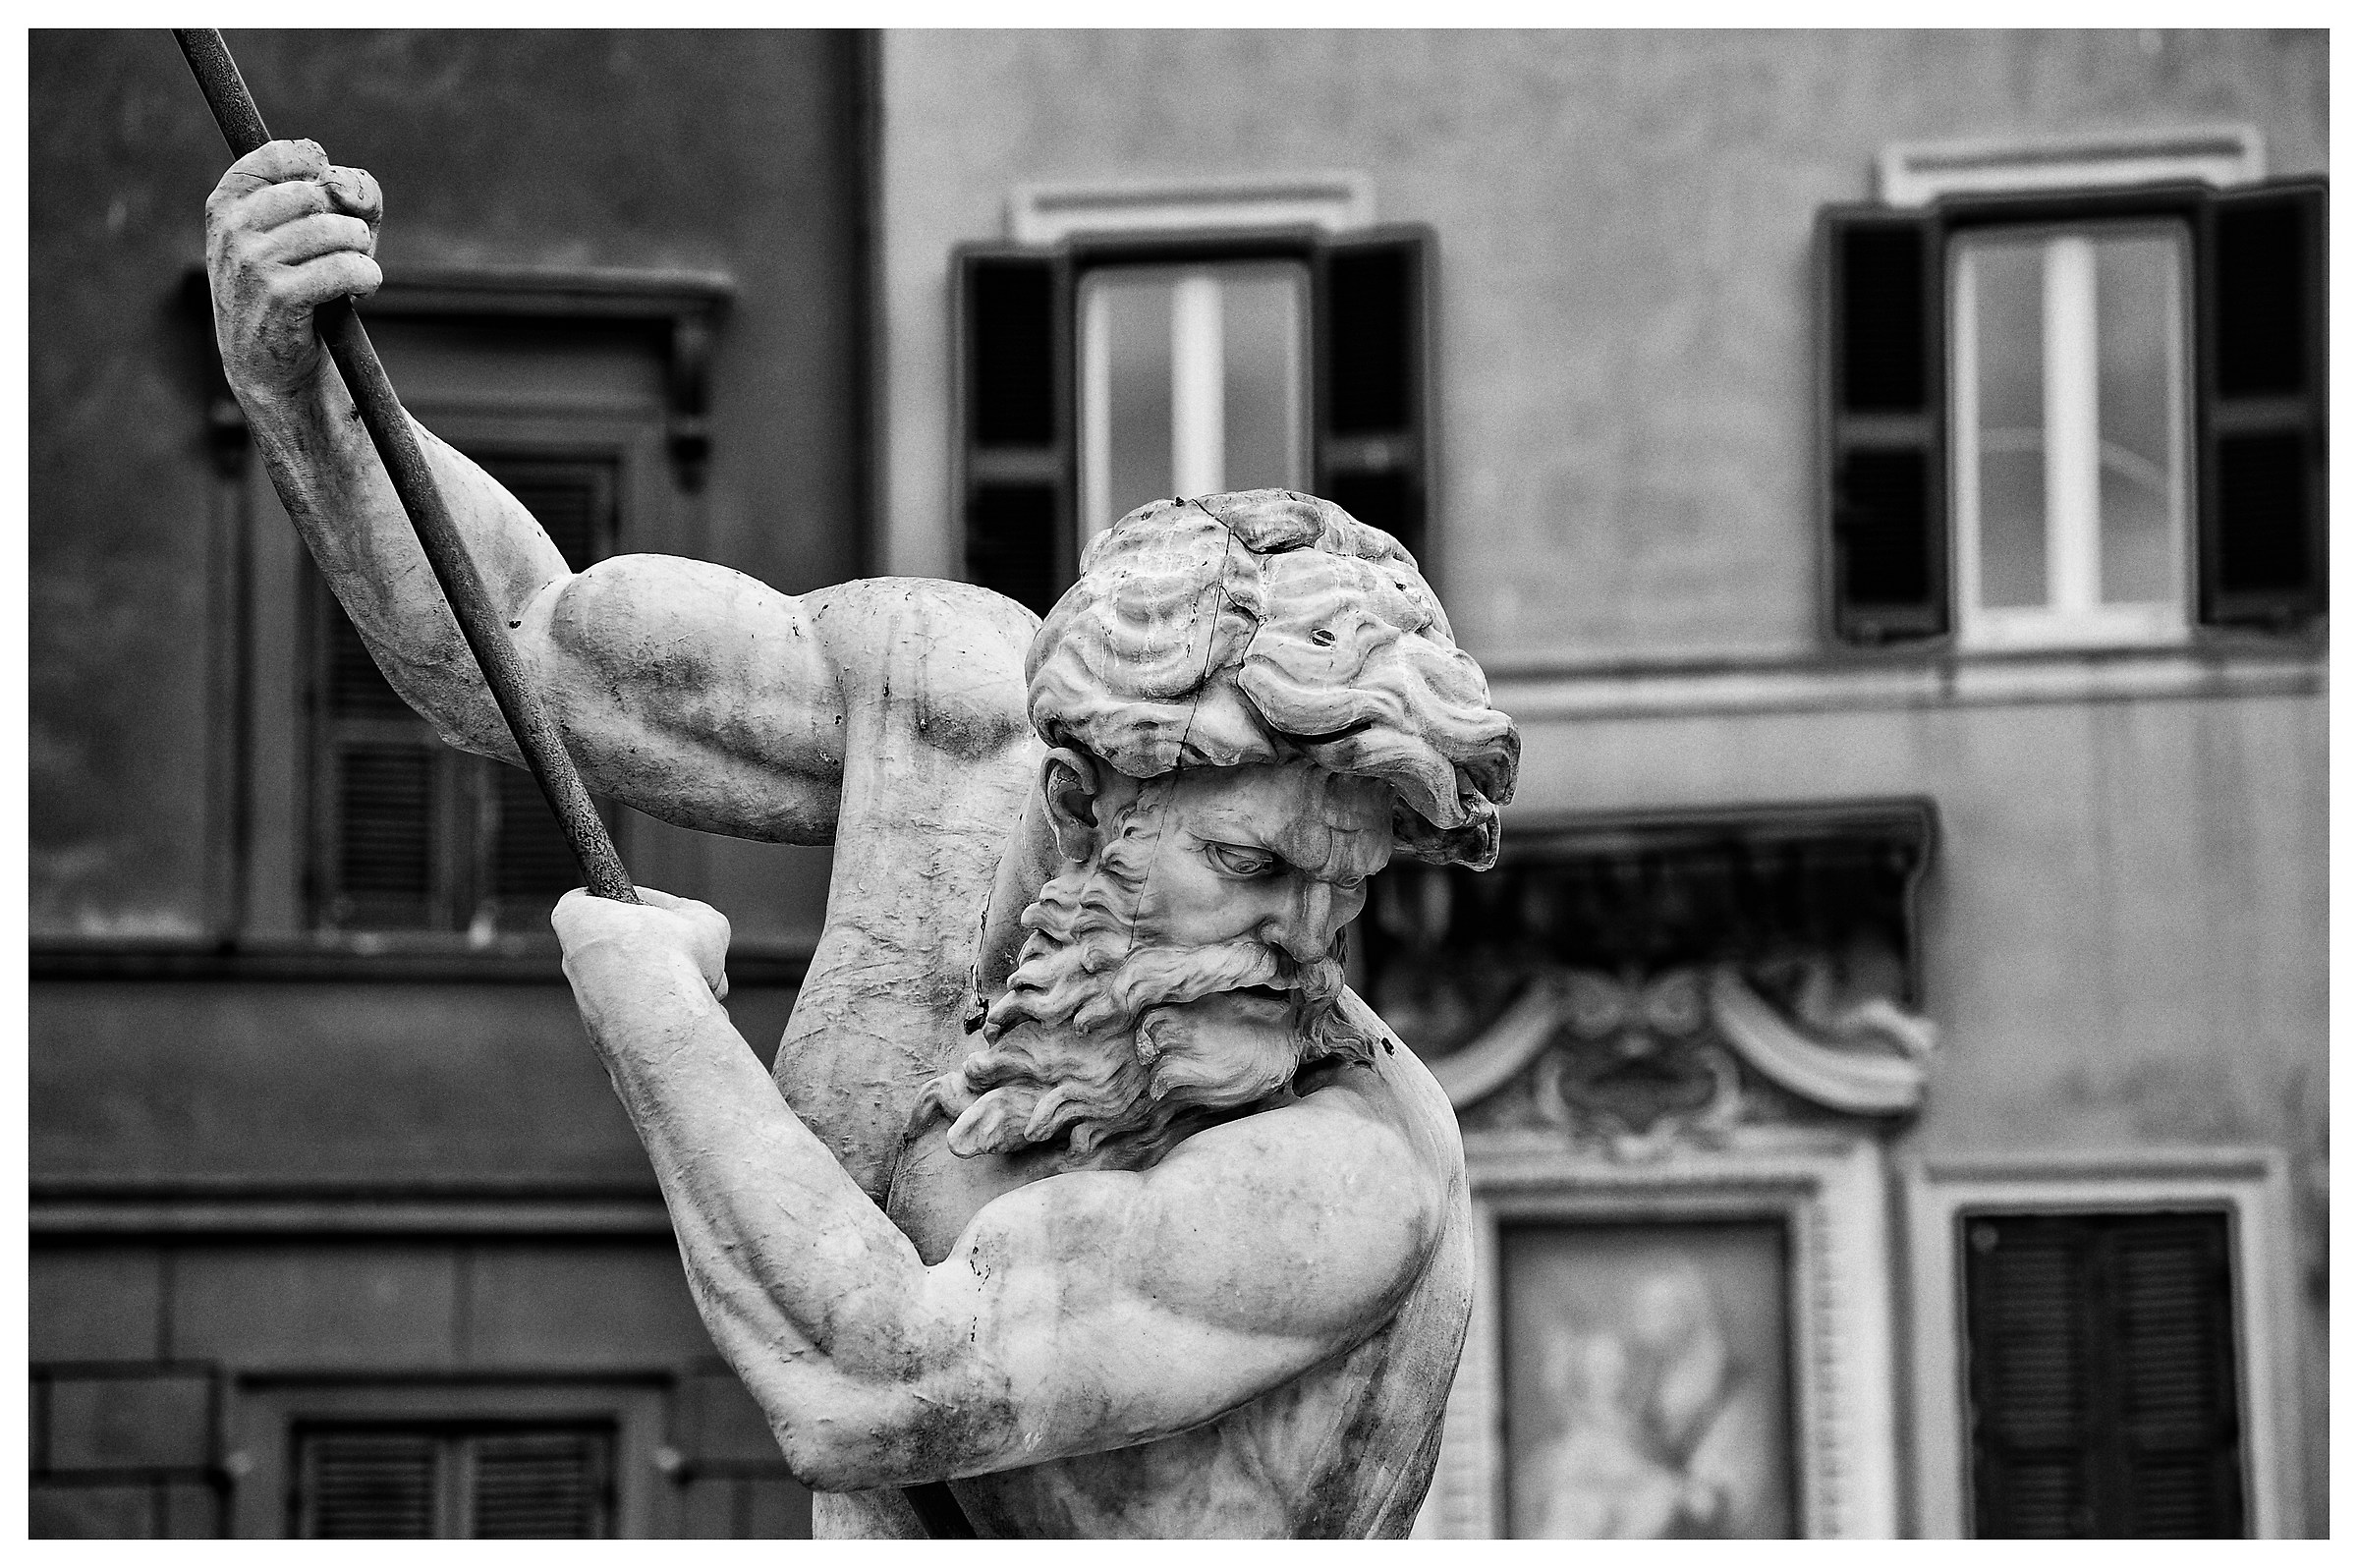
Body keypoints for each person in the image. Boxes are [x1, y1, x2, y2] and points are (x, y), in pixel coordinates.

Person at [204, 138, 1520, 1539]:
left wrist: (659, 1016)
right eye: (1251, 867)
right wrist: (300, 394)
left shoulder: (1346, 1170)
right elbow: (517, 642)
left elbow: (875, 1387)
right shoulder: (945, 710)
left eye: (1351, 884)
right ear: (1080, 806)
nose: (1306, 944)